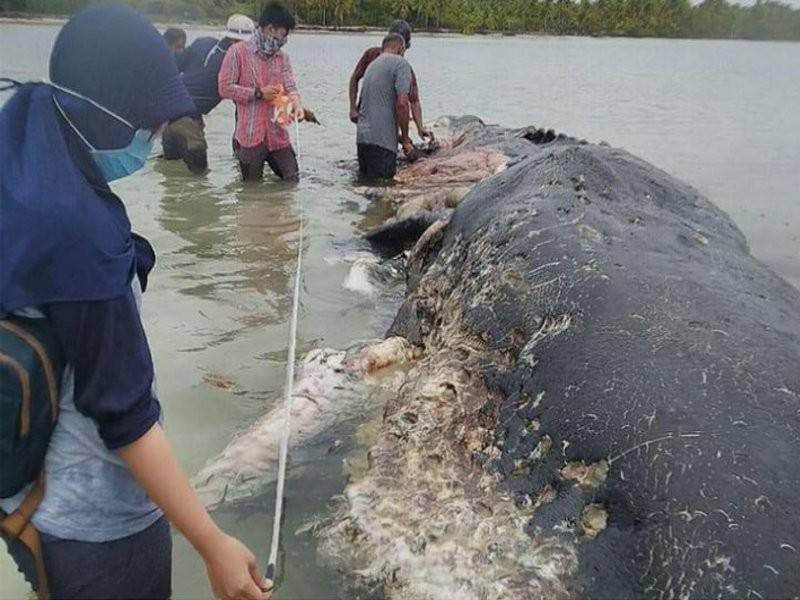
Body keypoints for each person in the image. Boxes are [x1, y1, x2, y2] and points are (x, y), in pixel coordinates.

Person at [0, 6, 271, 600]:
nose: (150, 138)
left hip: (24, 500)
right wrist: (213, 544)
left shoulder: (22, 133)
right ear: (103, 109)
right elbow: (124, 417)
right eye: (146, 124)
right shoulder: (79, 236)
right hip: (97, 535)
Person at [218, 2, 306, 182]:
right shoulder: (237, 52)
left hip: (277, 134)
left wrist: (297, 105)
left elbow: (291, 87)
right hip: (250, 136)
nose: (284, 40)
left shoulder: (282, 58)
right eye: (282, 34)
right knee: (251, 192)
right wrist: (258, 93)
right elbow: (224, 88)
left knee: (292, 179)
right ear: (269, 29)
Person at [161, 14, 256, 173]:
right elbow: (242, 107)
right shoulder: (236, 62)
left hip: (166, 118)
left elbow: (173, 66)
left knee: (171, 179)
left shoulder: (202, 43)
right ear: (238, 42)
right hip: (189, 124)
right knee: (200, 178)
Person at [349, 20, 433, 141]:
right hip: (366, 121)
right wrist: (352, 108)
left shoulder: (405, 69)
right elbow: (355, 78)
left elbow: (414, 101)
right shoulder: (371, 55)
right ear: (402, 46)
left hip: (382, 126)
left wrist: (420, 127)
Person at [356, 33, 416, 180]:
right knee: (383, 194)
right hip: (383, 146)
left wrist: (399, 137)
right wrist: (406, 140)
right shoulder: (401, 64)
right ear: (401, 48)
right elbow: (402, 104)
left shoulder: (372, 65)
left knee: (367, 190)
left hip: (363, 141)